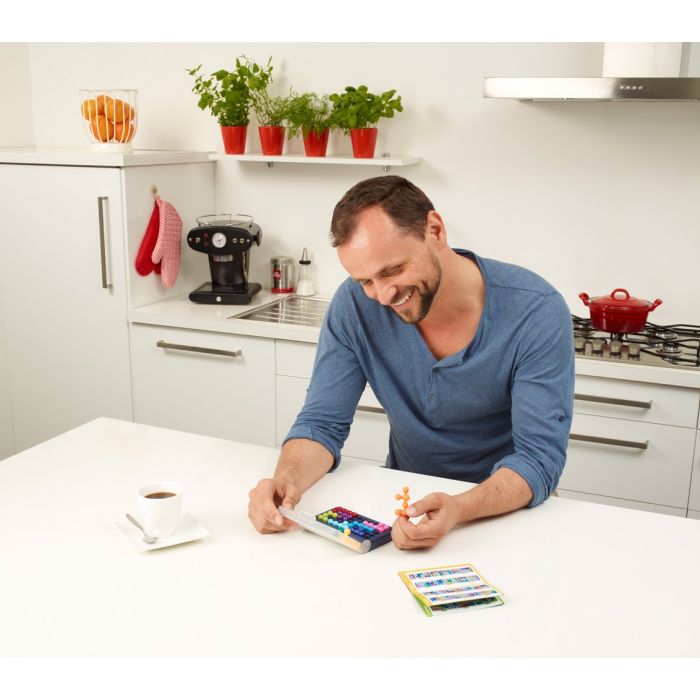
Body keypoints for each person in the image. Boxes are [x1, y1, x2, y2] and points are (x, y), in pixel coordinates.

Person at [248, 175, 574, 549]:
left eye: (393, 270)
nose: (383, 295)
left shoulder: (536, 311)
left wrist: (459, 509)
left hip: (508, 512)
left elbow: (538, 460)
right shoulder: (355, 305)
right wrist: (286, 482)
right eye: (366, 281)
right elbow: (322, 423)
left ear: (434, 231)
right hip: (406, 507)